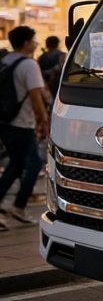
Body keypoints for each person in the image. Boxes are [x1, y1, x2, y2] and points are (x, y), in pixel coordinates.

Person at [0, 26, 49, 230]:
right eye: (34, 40)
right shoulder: (29, 65)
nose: (36, 44)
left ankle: (14, 206)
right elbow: (36, 97)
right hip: (22, 123)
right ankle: (19, 207)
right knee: (34, 164)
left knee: (17, 164)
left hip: (5, 120)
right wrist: (43, 121)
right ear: (27, 42)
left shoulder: (4, 61)